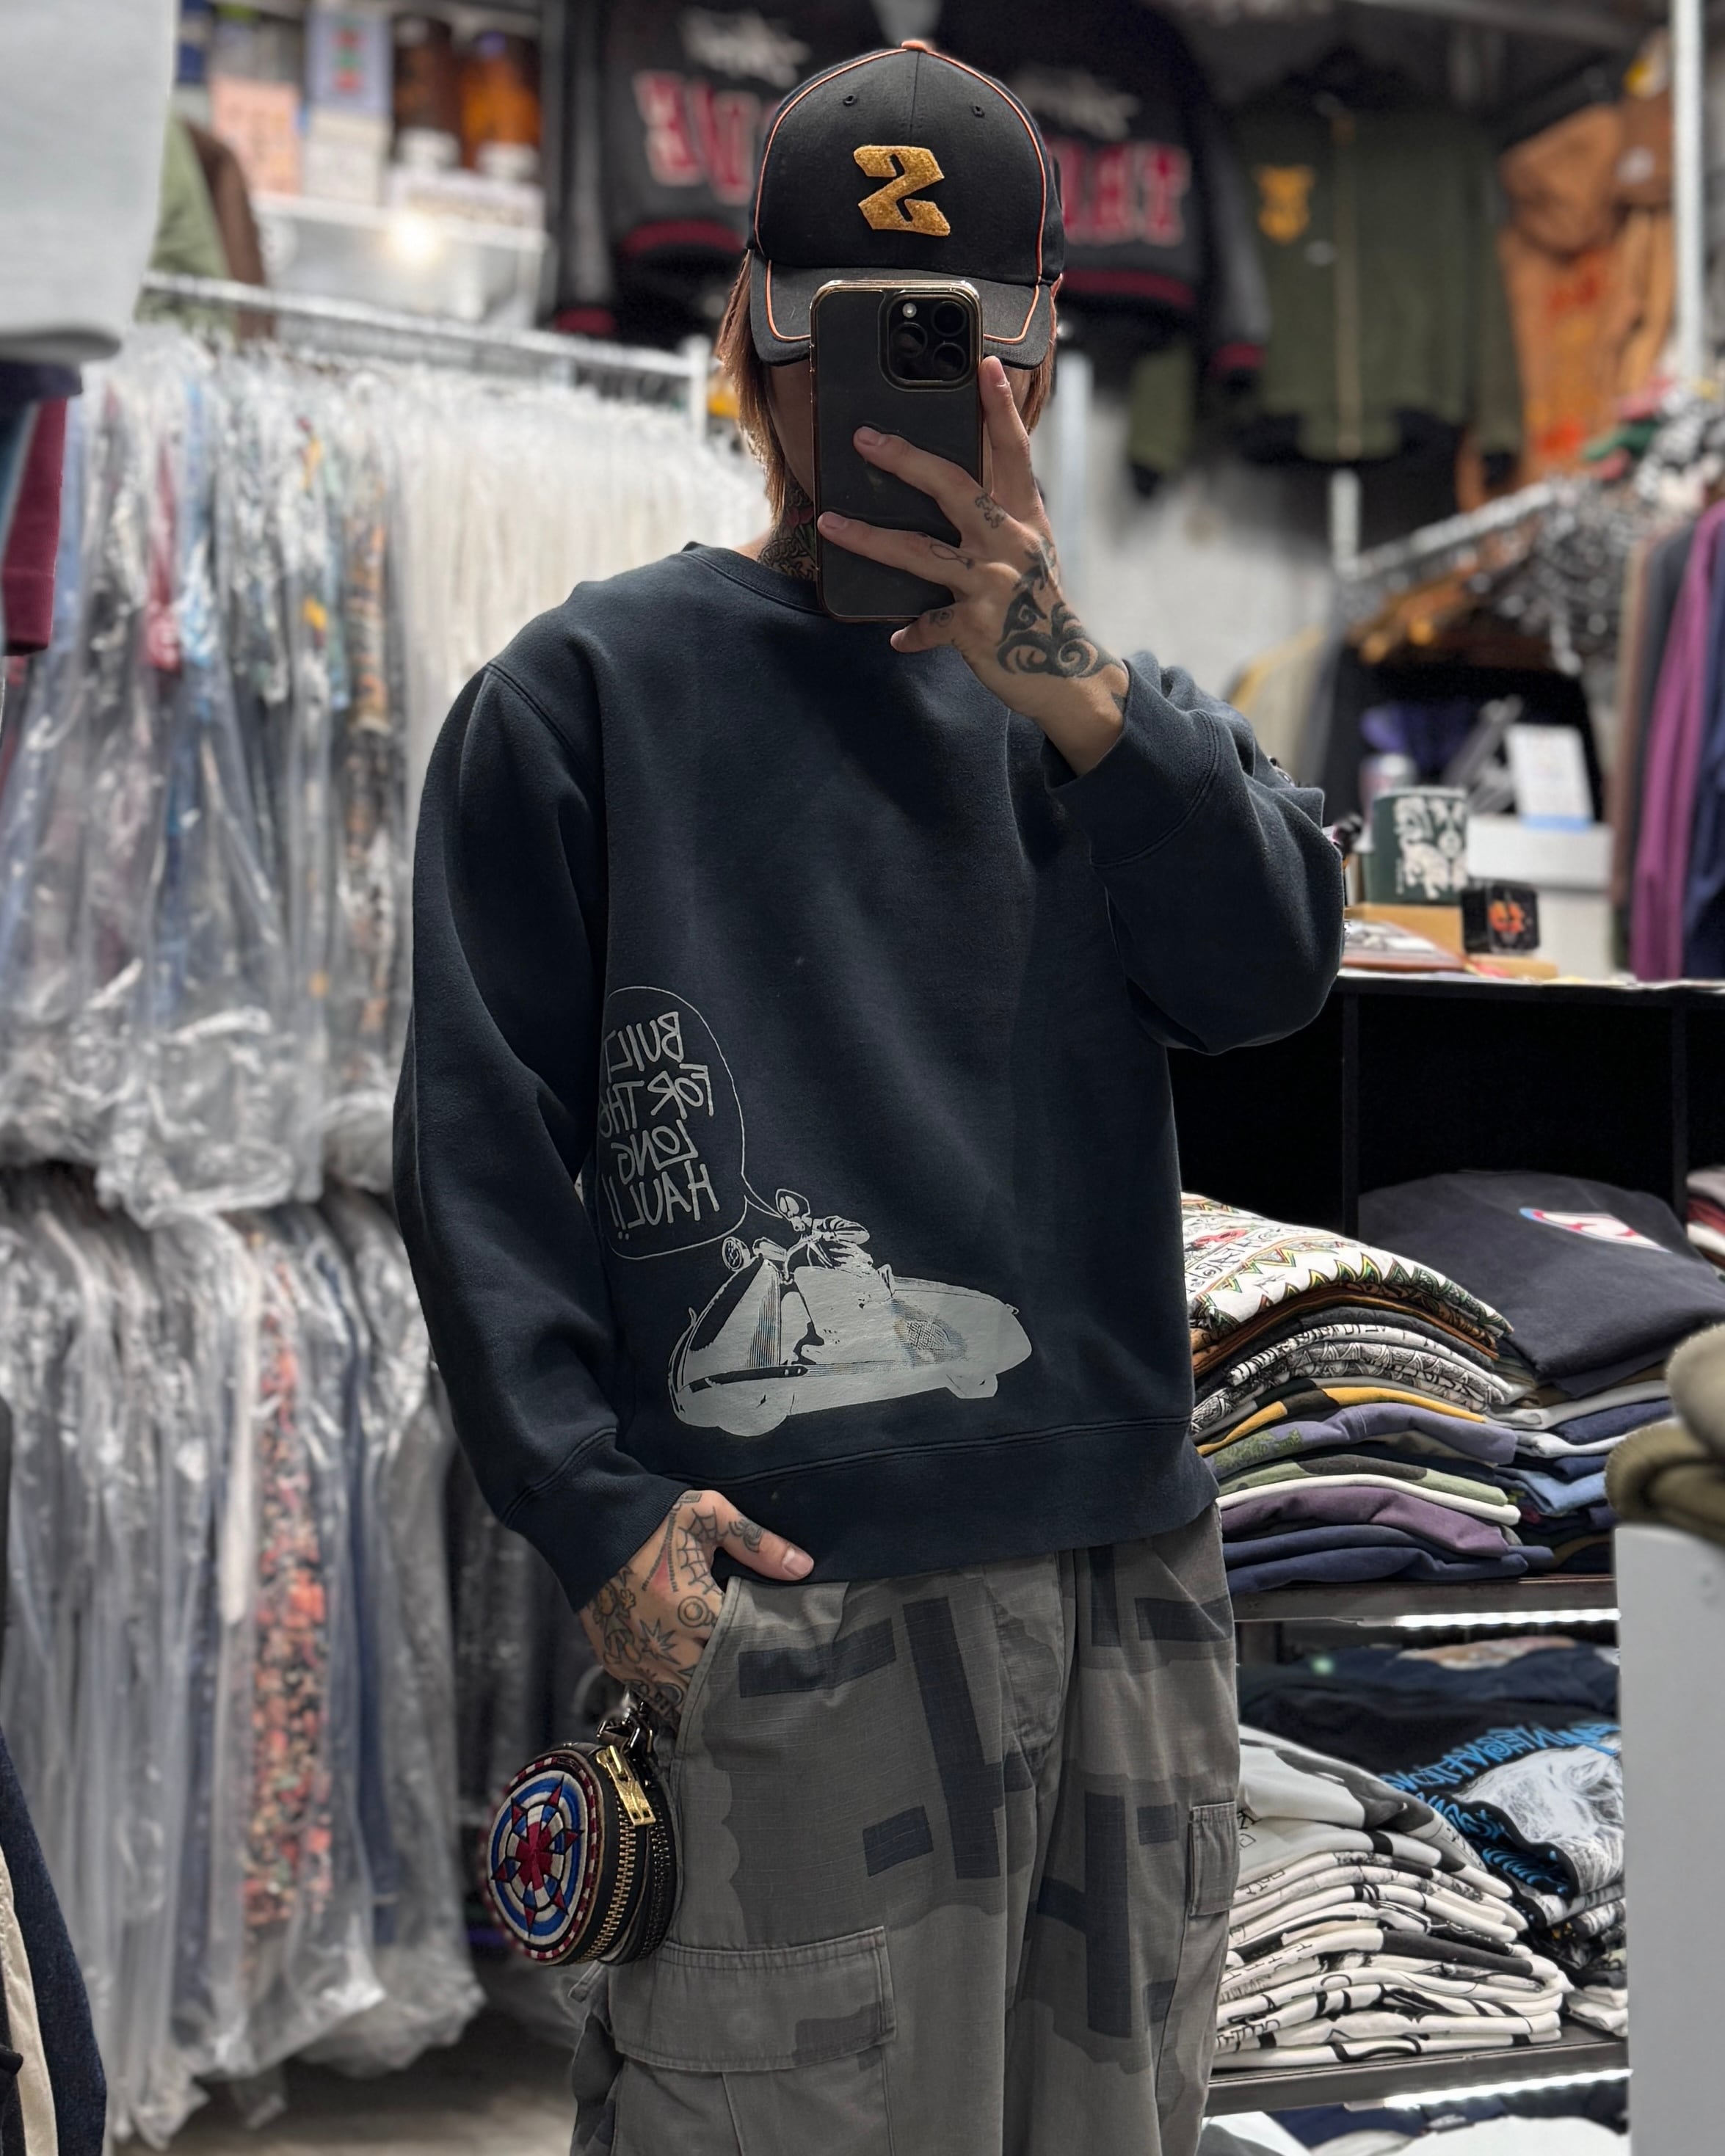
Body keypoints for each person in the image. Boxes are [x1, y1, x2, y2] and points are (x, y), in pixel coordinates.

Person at [396, 40, 1343, 2156]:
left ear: (1044, 357)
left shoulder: (1097, 721)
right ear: (755, 334)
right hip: (786, 1601)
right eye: (852, 336)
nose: (902, 395)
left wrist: (1072, 680)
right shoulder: (586, 695)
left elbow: (1273, 969)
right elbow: (471, 1139)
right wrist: (592, 1504)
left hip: (1120, 1579)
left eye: (962, 343)